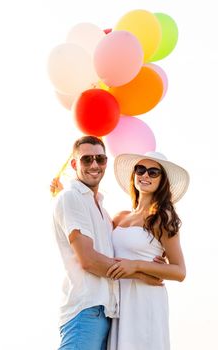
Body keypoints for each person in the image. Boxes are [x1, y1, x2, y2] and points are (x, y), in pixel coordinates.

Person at [51, 136, 165, 350]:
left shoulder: (102, 211)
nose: (94, 165)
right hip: (85, 310)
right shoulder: (71, 198)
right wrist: (141, 274)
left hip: (107, 312)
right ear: (74, 164)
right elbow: (89, 260)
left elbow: (124, 245)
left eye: (100, 159)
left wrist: (151, 255)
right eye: (86, 160)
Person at [106, 151, 190, 350]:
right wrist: (62, 195)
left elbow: (179, 271)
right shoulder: (119, 217)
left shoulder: (162, 218)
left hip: (145, 299)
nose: (145, 176)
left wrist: (136, 265)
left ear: (162, 181)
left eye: (153, 172)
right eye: (140, 170)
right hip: (119, 298)